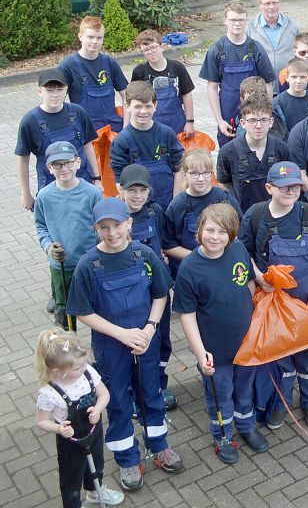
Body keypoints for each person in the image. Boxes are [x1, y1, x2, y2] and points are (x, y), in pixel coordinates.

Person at [67, 197, 180, 491]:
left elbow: (160, 294)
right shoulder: (88, 265)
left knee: (151, 394)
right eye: (103, 228)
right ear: (96, 229)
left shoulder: (144, 255)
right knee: (117, 400)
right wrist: (122, 334)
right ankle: (127, 459)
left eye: (116, 225)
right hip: (112, 348)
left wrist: (150, 329)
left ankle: (159, 445)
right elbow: (83, 312)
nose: (112, 233)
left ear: (129, 223)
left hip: (146, 342)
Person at [172, 203, 268, 463]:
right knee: (220, 396)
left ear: (233, 235)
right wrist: (200, 352)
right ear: (200, 230)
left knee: (245, 390)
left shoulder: (237, 249)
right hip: (216, 353)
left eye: (223, 232)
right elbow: (187, 315)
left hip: (246, 345)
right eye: (210, 230)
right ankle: (223, 436)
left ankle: (246, 427)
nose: (215, 237)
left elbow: (247, 280)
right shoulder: (190, 268)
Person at [239, 161, 308, 428]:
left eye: (295, 186)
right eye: (283, 187)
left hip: (306, 302)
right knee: (281, 358)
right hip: (274, 304)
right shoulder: (256, 215)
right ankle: (281, 403)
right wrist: (257, 276)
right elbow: (243, 254)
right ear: (269, 188)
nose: (291, 191)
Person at [34, 329, 123, 507]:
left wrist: (97, 409)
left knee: (96, 465)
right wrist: (59, 429)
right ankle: (73, 504)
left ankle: (95, 491)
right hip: (70, 440)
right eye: (77, 368)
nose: (83, 369)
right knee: (71, 477)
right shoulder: (49, 393)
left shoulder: (88, 373)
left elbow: (104, 394)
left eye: (84, 364)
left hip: (93, 430)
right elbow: (41, 421)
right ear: (58, 370)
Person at [118, 164, 177, 410]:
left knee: (162, 340)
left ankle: (158, 387)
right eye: (132, 190)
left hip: (158, 291)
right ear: (121, 190)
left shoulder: (155, 212)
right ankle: (134, 394)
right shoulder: (115, 216)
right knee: (135, 345)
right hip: (130, 296)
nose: (138, 196)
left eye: (143, 190)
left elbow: (164, 243)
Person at [34, 142, 102, 330]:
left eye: (68, 163)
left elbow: (101, 226)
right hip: (61, 267)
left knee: (98, 307)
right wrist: (48, 247)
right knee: (63, 312)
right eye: (57, 165)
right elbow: (41, 226)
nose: (64, 168)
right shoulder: (44, 196)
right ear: (49, 168)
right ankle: (68, 348)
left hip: (90, 264)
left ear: (78, 162)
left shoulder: (92, 193)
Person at [17, 69, 100, 211]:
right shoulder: (30, 121)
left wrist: (97, 179)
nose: (55, 95)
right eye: (49, 90)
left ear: (66, 90)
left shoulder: (78, 112)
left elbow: (88, 146)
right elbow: (23, 159)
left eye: (60, 89)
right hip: (51, 186)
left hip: (82, 182)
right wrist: (25, 194)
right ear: (40, 92)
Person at [200, 1, 276, 146]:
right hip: (228, 117)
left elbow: (268, 83)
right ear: (225, 21)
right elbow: (212, 88)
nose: (237, 23)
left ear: (246, 21)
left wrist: (266, 114)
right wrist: (220, 121)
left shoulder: (255, 48)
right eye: (233, 20)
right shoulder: (216, 50)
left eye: (241, 20)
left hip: (255, 117)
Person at [109, 81, 184, 210]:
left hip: (168, 202)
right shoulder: (121, 141)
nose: (143, 111)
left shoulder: (167, 134)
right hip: (139, 208)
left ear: (155, 106)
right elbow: (120, 184)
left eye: (148, 106)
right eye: (137, 106)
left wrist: (175, 204)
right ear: (127, 106)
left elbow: (179, 169)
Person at [162, 149, 241, 273]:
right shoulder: (177, 206)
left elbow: (239, 230)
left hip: (224, 264)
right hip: (194, 268)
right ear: (184, 175)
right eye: (194, 173)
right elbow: (168, 245)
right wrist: (198, 257)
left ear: (212, 173)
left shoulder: (223, 198)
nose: (201, 179)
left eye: (206, 173)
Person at [218, 96, 290, 212]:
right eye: (252, 120)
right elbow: (224, 184)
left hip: (275, 215)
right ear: (242, 123)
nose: (258, 126)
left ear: (271, 122)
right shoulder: (228, 152)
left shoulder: (281, 148)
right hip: (242, 217)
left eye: (263, 120)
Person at [57, 16, 128, 132]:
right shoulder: (68, 66)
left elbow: (127, 96)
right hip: (86, 130)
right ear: (80, 36)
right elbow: (58, 102)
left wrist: (126, 127)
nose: (95, 41)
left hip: (112, 130)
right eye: (90, 37)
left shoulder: (109, 63)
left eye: (99, 38)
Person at [131, 30, 196, 138]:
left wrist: (190, 122)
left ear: (162, 47)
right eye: (145, 50)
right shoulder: (139, 71)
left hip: (177, 123)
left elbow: (187, 94)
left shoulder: (177, 67)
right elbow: (134, 100)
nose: (150, 52)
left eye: (153, 47)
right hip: (151, 124)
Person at [246, 0, 301, 87]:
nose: (271, 7)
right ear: (260, 5)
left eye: (274, 3)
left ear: (279, 2)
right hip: (261, 88)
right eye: (267, 3)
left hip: (287, 87)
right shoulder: (250, 29)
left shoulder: (292, 26)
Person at [274, 58, 308, 131]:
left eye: (302, 77)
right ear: (287, 77)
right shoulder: (278, 102)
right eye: (294, 77)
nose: (298, 81)